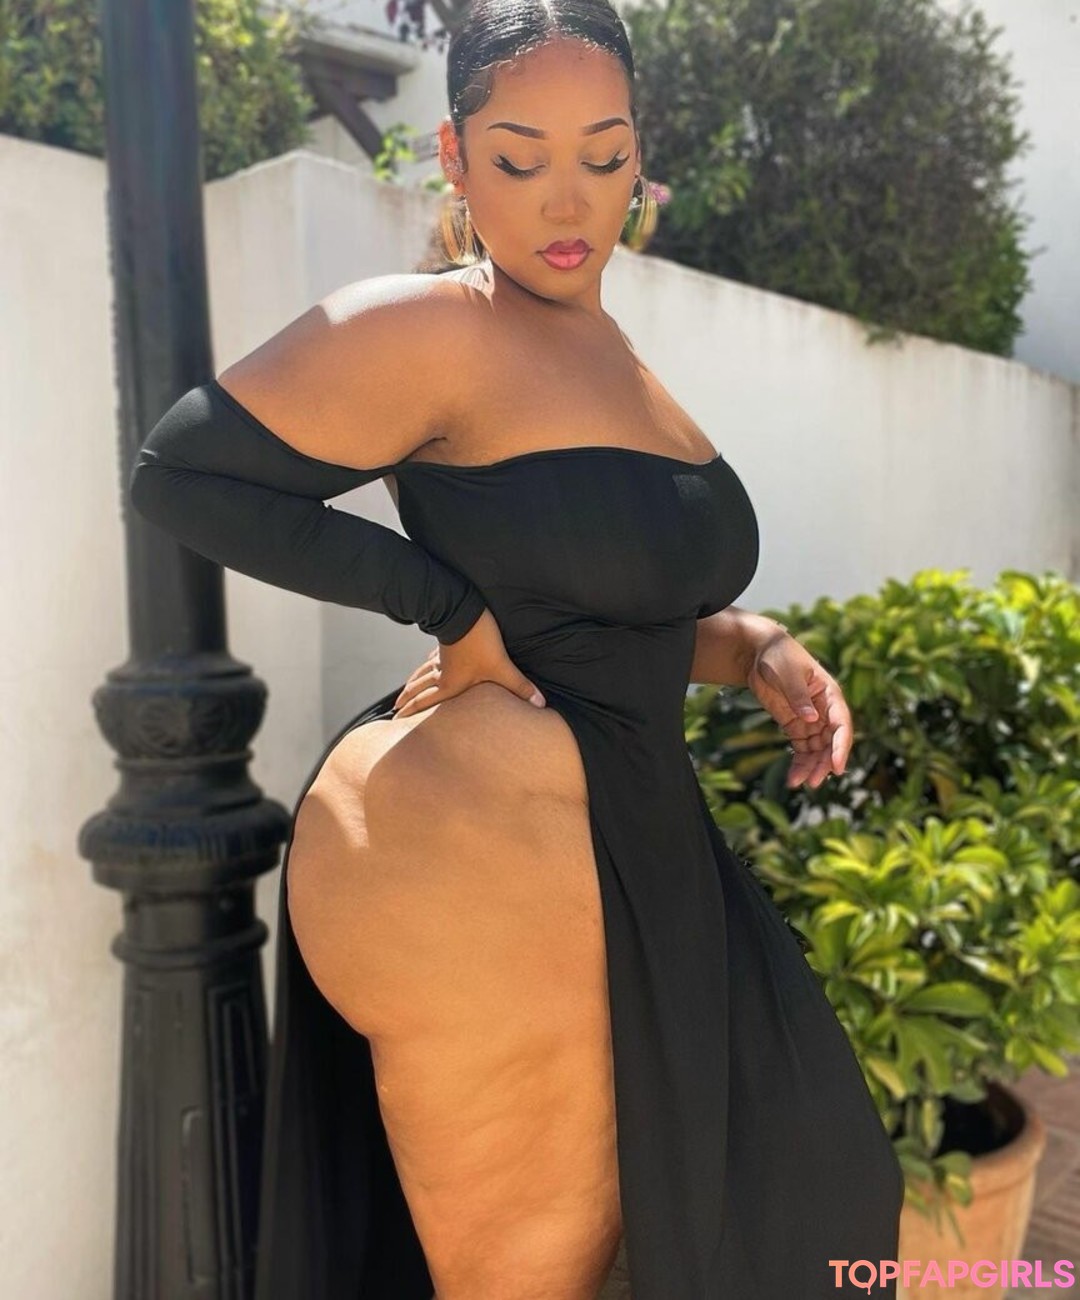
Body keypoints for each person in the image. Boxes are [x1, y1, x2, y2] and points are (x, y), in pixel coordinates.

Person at [128, 1, 906, 1296]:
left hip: (642, 834)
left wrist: (752, 648)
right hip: (505, 852)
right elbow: (180, 476)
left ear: (640, 155)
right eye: (519, 155)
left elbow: (596, 612)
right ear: (454, 155)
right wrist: (447, 608)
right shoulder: (433, 326)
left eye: (603, 155)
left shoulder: (609, 350)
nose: (567, 197)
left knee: (814, 1193)